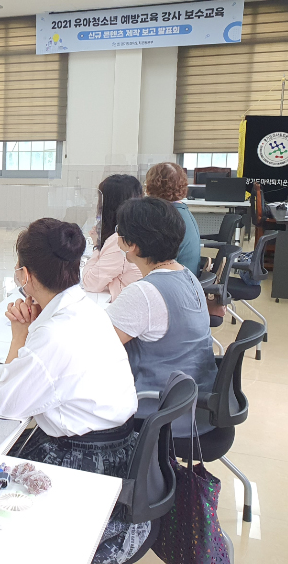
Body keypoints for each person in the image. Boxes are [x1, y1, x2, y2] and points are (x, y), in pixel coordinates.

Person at [0, 218, 144, 564]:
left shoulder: (56, 334)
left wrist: (18, 335)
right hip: (120, 450)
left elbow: (4, 402)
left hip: (82, 463)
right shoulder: (89, 308)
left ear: (26, 276)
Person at [106, 197, 218, 437]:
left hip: (157, 411)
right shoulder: (186, 275)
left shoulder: (144, 293)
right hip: (194, 403)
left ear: (132, 245)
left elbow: (94, 347)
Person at [81, 175, 143, 301]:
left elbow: (90, 283)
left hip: (126, 309)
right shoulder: (139, 229)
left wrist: (96, 246)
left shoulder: (121, 239)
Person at [144, 162, 201, 276]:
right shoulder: (181, 210)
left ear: (152, 185)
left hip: (175, 280)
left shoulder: (167, 218)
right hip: (186, 278)